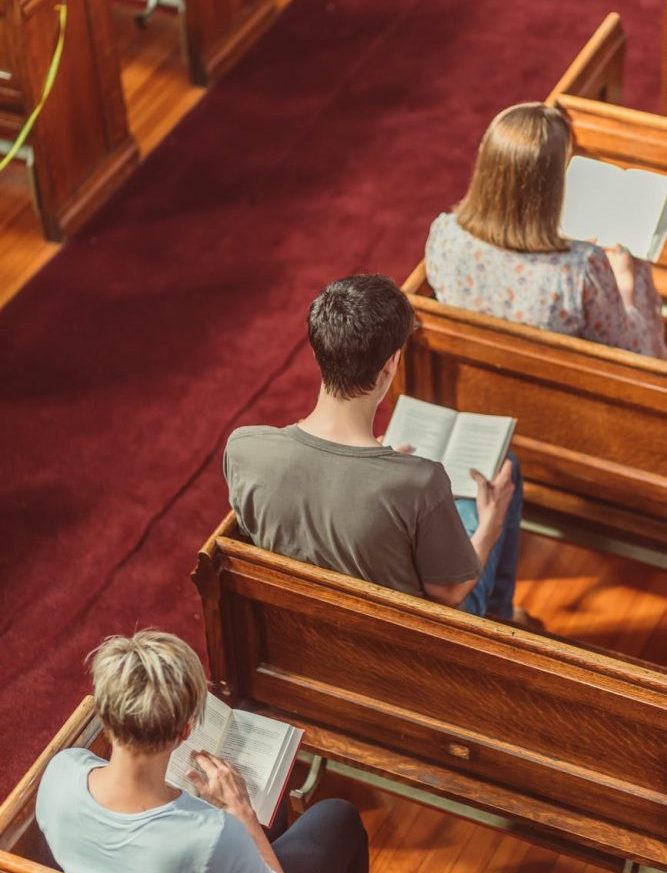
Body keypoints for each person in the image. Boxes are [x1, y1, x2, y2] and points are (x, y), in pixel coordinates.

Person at [224, 273, 526, 623]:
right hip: (401, 642)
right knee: (504, 471)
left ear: (319, 350)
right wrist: (491, 525)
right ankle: (501, 621)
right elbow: (451, 594)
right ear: (390, 366)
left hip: (298, 629)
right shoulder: (419, 483)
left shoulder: (244, 449)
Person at [36, 630, 368, 873]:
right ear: (185, 732)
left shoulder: (61, 773)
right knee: (339, 817)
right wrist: (241, 813)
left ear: (105, 716)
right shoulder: (210, 836)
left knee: (276, 809)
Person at [424, 102, 666, 359]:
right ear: (550, 187)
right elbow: (634, 352)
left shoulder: (444, 236)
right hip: (566, 388)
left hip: (475, 372)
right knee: (635, 269)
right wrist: (626, 280)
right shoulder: (579, 271)